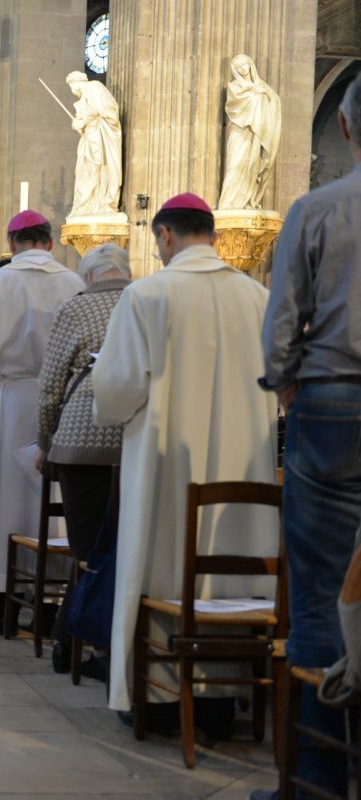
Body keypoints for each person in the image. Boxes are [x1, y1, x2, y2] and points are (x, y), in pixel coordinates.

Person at [91, 192, 277, 736]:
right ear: (213, 235)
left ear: (166, 236)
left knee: (162, 559)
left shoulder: (146, 295)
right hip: (243, 469)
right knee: (231, 566)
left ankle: (161, 694)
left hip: (164, 465)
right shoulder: (258, 299)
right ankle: (224, 696)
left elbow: (119, 390)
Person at [251, 75, 361, 800]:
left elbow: (281, 322)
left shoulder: (320, 208)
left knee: (323, 592)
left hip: (334, 407)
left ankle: (321, 782)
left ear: (348, 130)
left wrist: (287, 383)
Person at [0, 210, 84, 630]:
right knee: (50, 504)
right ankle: (47, 602)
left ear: (11, 243)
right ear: (49, 242)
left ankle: (0, 599)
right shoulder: (72, 282)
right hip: (58, 404)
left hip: (4, 402)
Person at [34, 243, 131, 672]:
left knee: (87, 549)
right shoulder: (144, 299)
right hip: (135, 439)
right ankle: (104, 644)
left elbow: (51, 386)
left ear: (88, 276)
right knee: (126, 547)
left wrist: (45, 440)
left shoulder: (76, 309)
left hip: (82, 438)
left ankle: (69, 640)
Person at [218, 54, 281, 211]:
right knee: (235, 164)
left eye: (244, 64)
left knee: (252, 165)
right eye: (238, 67)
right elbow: (234, 107)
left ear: (250, 65)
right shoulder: (235, 87)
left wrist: (264, 94)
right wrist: (257, 92)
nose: (242, 68)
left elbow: (275, 103)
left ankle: (247, 201)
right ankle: (229, 203)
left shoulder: (264, 87)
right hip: (240, 132)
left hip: (256, 133)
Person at [67, 71, 123, 218]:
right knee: (83, 171)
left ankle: (101, 202)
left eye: (71, 85)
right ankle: (88, 204)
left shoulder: (94, 87)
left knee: (98, 167)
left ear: (76, 81)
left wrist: (82, 121)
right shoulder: (83, 97)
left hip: (100, 137)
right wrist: (79, 124)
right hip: (90, 138)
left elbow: (105, 109)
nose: (72, 90)